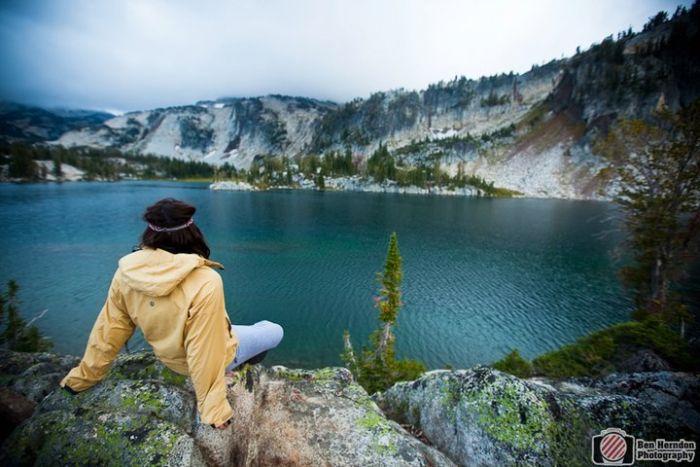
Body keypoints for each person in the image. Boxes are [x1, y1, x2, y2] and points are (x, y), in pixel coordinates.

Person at [60, 198, 284, 429]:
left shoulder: (126, 274)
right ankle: (240, 364)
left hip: (169, 359)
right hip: (212, 358)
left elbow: (109, 330)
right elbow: (204, 349)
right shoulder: (206, 280)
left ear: (150, 234)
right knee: (273, 329)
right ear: (191, 232)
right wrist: (214, 409)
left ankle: (240, 351)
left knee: (235, 327)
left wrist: (83, 377)